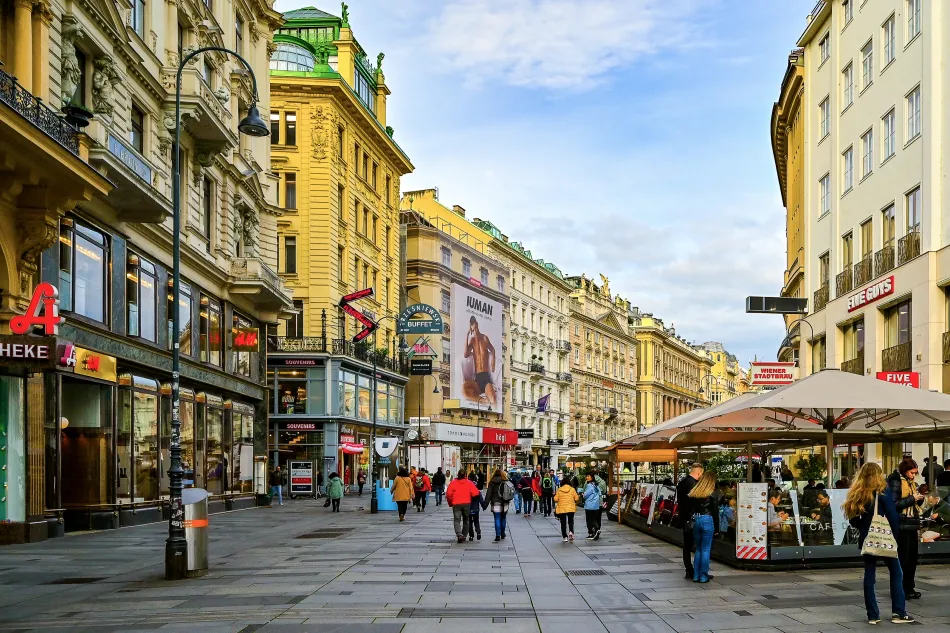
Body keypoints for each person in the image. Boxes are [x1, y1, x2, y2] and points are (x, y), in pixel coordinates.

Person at [844, 462, 915, 624]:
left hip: (868, 539)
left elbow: (853, 519)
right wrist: (894, 537)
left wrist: (865, 528)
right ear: (878, 475)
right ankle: (898, 613)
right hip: (884, 538)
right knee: (896, 573)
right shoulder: (882, 491)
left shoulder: (857, 493)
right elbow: (892, 516)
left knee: (869, 575)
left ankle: (873, 615)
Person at [888, 458, 924, 600]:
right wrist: (912, 498)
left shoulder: (911, 483)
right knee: (903, 559)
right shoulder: (896, 481)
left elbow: (912, 502)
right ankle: (901, 588)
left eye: (915, 473)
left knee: (912, 559)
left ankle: (909, 587)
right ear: (904, 471)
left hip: (911, 523)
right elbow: (894, 504)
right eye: (911, 472)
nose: (913, 476)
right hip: (901, 524)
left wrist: (919, 498)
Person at [688, 471, 719, 583]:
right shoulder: (712, 494)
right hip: (707, 520)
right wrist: (717, 528)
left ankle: (696, 575)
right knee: (705, 550)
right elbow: (715, 512)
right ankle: (703, 576)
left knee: (698, 549)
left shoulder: (695, 492)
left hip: (696, 520)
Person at [462, 315, 498, 407]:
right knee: (464, 388)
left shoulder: (484, 338)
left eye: (475, 325)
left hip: (485, 377)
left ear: (477, 324)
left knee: (493, 400)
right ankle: (482, 400)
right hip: (477, 378)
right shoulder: (472, 340)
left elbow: (493, 350)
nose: (475, 329)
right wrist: (467, 335)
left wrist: (493, 363)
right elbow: (465, 354)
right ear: (470, 327)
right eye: (472, 327)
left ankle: (490, 405)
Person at [676, 462, 703, 579]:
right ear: (699, 472)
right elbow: (696, 503)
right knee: (699, 545)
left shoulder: (682, 483)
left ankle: (688, 569)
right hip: (694, 518)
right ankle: (699, 570)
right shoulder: (694, 484)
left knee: (687, 546)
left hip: (684, 518)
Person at [446, 469, 480, 543]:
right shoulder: (469, 483)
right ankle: (464, 535)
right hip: (467, 503)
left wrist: (450, 503)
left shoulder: (453, 483)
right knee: (466, 519)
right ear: (465, 475)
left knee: (457, 520)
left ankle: (459, 534)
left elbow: (448, 495)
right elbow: (476, 493)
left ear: (458, 475)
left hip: (456, 504)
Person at [483, 468, 512, 541]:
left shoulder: (492, 482)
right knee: (503, 518)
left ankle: (497, 535)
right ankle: (503, 533)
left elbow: (488, 494)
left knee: (497, 518)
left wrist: (485, 504)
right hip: (505, 502)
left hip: (495, 502)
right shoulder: (505, 481)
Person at [554, 476, 580, 542]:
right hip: (570, 507)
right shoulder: (572, 489)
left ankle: (565, 537)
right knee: (570, 521)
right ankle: (571, 532)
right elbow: (576, 498)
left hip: (562, 508)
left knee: (563, 522)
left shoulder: (559, 489)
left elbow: (555, 499)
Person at [583, 473, 603, 540]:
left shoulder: (589, 485)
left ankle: (594, 531)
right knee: (594, 518)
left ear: (592, 477)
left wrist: (583, 494)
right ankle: (595, 530)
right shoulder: (596, 485)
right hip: (596, 505)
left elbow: (585, 495)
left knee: (589, 519)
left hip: (589, 504)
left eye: (588, 476)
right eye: (586, 476)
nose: (587, 477)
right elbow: (600, 493)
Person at [467, 471, 482, 541]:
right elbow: (481, 499)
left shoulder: (467, 488)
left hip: (469, 508)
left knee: (469, 522)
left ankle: (471, 535)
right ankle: (478, 531)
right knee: (476, 521)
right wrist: (484, 506)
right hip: (476, 508)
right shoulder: (477, 489)